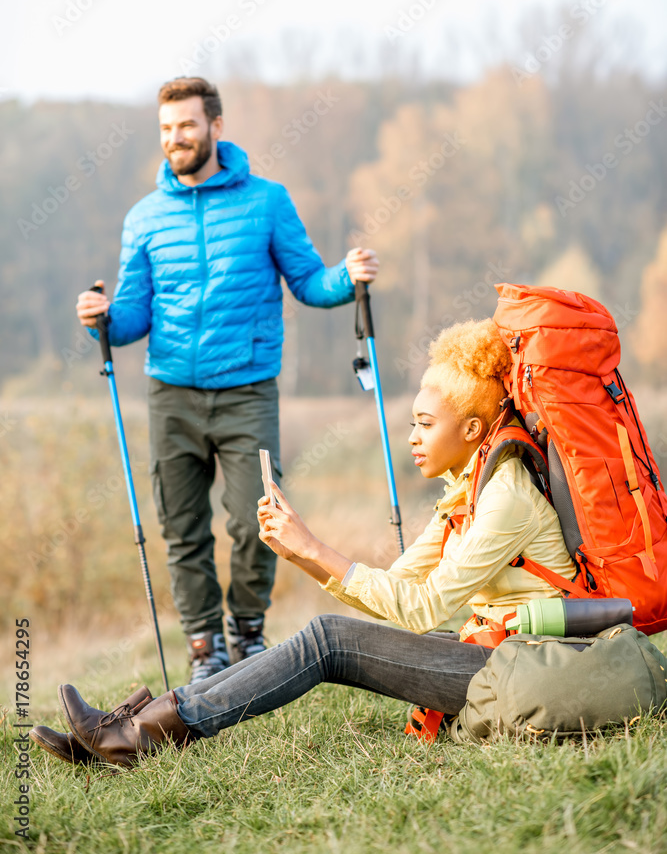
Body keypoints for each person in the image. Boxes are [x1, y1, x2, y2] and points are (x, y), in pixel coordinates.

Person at [32, 318, 577, 766]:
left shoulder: (505, 495)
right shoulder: (470, 486)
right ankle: (124, 735)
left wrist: (316, 548)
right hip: (497, 654)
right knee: (327, 637)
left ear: (474, 430)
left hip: (532, 670)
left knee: (327, 640)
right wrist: (302, 555)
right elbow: (398, 587)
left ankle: (137, 737)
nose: (411, 436)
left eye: (425, 423)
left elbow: (424, 608)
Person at [75, 76, 378, 684]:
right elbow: (133, 316)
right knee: (182, 528)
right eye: (165, 128)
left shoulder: (267, 202)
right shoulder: (145, 218)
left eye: (186, 125)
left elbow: (310, 283)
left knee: (254, 520)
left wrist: (348, 277)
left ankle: (246, 632)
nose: (175, 138)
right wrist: (99, 319)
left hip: (247, 391)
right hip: (172, 396)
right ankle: (204, 648)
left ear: (215, 127)